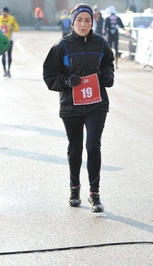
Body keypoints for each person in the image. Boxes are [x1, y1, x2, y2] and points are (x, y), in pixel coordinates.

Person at [43, 3, 115, 213]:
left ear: (92, 22)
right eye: (79, 20)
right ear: (72, 21)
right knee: (75, 147)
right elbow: (49, 75)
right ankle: (74, 188)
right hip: (71, 105)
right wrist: (66, 81)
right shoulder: (62, 46)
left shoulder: (101, 44)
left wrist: (107, 76)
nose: (83, 24)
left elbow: (108, 64)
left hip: (96, 104)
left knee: (93, 145)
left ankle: (94, 193)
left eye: (87, 20)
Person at [0, 7, 19, 78]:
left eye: (5, 12)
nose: (3, 13)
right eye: (2, 12)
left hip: (9, 39)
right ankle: (4, 70)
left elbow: (17, 29)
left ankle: (8, 69)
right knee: (3, 55)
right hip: (2, 40)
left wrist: (13, 28)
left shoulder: (12, 18)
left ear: (7, 12)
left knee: (9, 55)